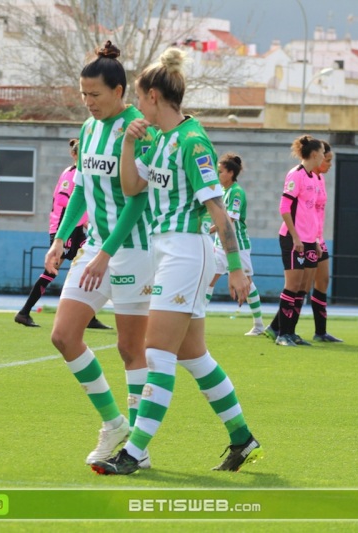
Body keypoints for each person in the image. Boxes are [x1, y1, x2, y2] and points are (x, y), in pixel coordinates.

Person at [91, 47, 263, 475]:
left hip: (188, 251)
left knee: (157, 352)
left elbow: (217, 209)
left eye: (139, 97)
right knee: (194, 356)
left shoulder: (192, 141)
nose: (136, 105)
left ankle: (133, 453)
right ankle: (242, 437)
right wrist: (129, 142)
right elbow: (132, 187)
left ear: (152, 96)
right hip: (166, 250)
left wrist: (237, 267)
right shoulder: (157, 138)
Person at [43, 41, 155, 469]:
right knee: (63, 336)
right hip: (96, 250)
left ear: (120, 91)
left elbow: (137, 201)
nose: (88, 103)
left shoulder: (138, 130)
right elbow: (83, 190)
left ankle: (136, 451)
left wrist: (106, 253)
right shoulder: (89, 131)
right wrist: (59, 238)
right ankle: (113, 423)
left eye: (95, 95)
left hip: (132, 252)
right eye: (83, 94)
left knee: (131, 350)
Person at [14, 138, 111, 330]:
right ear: (74, 155)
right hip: (64, 229)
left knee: (87, 266)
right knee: (52, 270)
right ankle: (24, 312)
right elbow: (62, 200)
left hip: (77, 230)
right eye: (81, 152)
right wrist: (83, 219)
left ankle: (89, 315)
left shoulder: (85, 174)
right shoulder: (70, 174)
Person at [264, 135, 324, 347]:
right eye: (323, 154)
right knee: (292, 285)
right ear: (315, 154)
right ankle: (282, 334)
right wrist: (296, 237)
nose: (324, 158)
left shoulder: (314, 178)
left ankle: (290, 332)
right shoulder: (295, 174)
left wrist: (316, 239)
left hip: (308, 240)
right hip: (293, 239)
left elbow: (313, 213)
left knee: (302, 288)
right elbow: (284, 208)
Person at [204, 153, 265, 335]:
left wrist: (209, 229)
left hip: (238, 246)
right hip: (220, 245)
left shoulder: (236, 192)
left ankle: (259, 325)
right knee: (208, 280)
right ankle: (195, 319)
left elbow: (229, 220)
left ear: (231, 173)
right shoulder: (220, 191)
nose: (217, 174)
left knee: (247, 283)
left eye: (220, 171)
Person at [311, 141, 343, 342]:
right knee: (299, 286)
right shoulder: (305, 177)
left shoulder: (320, 179)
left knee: (323, 281)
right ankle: (278, 327)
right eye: (328, 160)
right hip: (308, 237)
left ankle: (320, 332)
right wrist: (311, 238)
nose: (330, 164)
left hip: (318, 237)